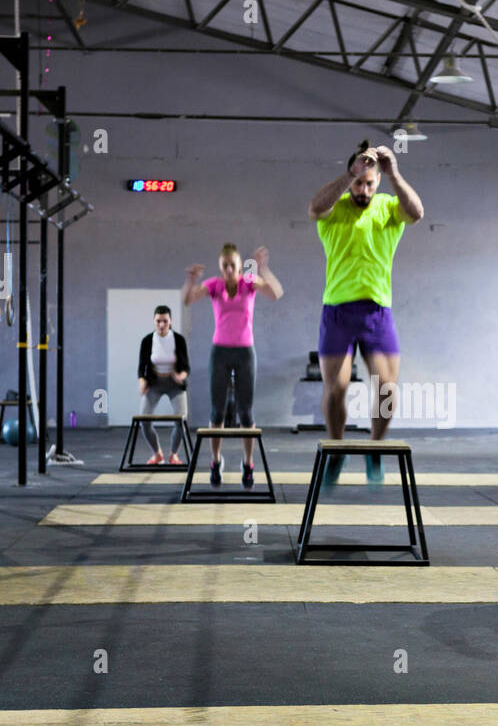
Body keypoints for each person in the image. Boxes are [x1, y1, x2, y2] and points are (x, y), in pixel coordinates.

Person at [307, 140, 424, 484]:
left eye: (370, 183)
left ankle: (376, 448)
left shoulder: (389, 207)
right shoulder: (335, 209)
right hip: (337, 312)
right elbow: (314, 208)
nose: (364, 189)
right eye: (360, 182)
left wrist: (393, 173)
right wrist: (350, 174)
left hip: (377, 313)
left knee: (387, 388)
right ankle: (337, 449)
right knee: (337, 388)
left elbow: (417, 213)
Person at [183, 243, 285, 488]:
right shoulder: (213, 285)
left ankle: (248, 463)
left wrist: (264, 269)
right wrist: (191, 280)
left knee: (246, 412)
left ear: (239, 267)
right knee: (217, 412)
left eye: (233, 265)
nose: (229, 269)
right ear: (221, 267)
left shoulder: (248, 282)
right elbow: (188, 300)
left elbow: (275, 293)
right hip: (220, 352)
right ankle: (215, 460)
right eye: (225, 266)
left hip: (245, 353)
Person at [136, 306, 190, 464]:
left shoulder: (178, 340)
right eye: (158, 321)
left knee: (181, 420)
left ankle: (174, 454)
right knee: (144, 420)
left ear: (170, 321)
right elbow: (141, 368)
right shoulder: (147, 341)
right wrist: (142, 382)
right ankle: (157, 453)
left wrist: (181, 376)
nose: (161, 325)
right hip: (155, 382)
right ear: (154, 321)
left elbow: (186, 367)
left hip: (174, 383)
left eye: (165, 321)